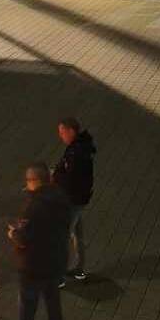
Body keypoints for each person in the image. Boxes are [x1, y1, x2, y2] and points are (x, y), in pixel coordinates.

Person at [3, 163, 72, 320]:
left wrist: (13, 234)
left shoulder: (34, 207)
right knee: (53, 305)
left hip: (33, 267)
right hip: (56, 262)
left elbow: (24, 238)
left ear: (33, 181)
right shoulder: (61, 198)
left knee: (27, 313)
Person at [51, 118, 96, 282]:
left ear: (71, 131)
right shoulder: (80, 147)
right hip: (78, 198)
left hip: (71, 200)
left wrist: (54, 179)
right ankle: (79, 269)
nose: (60, 135)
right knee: (77, 234)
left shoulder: (76, 153)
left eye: (62, 132)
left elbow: (70, 179)